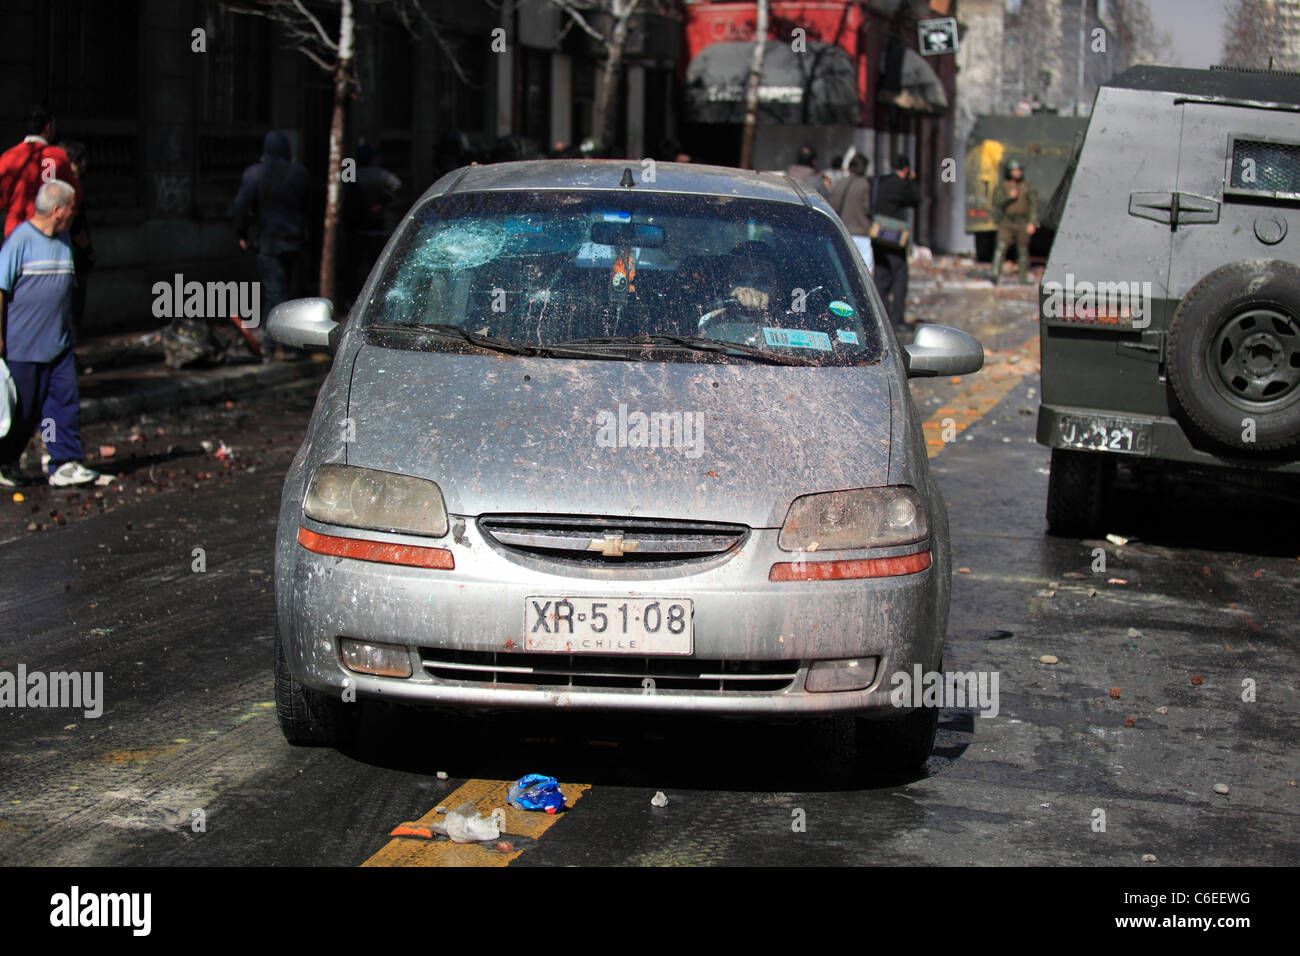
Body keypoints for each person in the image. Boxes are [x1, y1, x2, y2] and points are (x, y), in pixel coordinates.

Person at [0, 180, 106, 488]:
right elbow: (1, 289)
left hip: (59, 343)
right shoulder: (20, 240)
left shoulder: (63, 241)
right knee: (25, 411)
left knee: (62, 403)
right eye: (73, 207)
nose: (76, 213)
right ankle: (6, 459)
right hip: (24, 347)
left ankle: (64, 462)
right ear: (58, 210)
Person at [232, 130, 312, 356]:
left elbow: (241, 207)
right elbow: (308, 206)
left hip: (268, 242)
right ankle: (278, 341)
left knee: (276, 292)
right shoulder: (300, 174)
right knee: (282, 290)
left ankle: (277, 342)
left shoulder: (255, 174)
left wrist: (242, 233)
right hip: (294, 241)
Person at [0, 105, 81, 240]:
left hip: (14, 232)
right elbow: (74, 195)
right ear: (48, 128)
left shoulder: (7, 158)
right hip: (48, 233)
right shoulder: (58, 156)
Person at [343, 142, 401, 304]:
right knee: (375, 265)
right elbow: (396, 185)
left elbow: (344, 192)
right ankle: (375, 299)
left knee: (355, 265)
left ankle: (352, 297)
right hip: (376, 226)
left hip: (358, 228)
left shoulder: (352, 173)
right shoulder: (379, 174)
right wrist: (382, 203)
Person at [871, 154, 920, 332]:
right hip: (895, 237)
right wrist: (912, 181)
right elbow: (917, 199)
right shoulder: (903, 186)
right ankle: (897, 320)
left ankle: (880, 319)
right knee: (900, 275)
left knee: (881, 276)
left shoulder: (879, 181)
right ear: (906, 169)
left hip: (878, 234)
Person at [60, 140, 95, 347]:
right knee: (73, 307)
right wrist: (89, 250)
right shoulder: (72, 188)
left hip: (70, 254)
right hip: (74, 256)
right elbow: (76, 226)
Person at [990, 159, 1037, 285]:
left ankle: (1022, 277)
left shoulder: (1026, 186)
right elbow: (996, 201)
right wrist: (1008, 197)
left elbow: (1033, 205)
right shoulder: (1003, 185)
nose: (1017, 173)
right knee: (1001, 247)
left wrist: (1032, 222)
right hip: (1007, 221)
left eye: (1019, 170)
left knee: (1022, 250)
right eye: (1015, 171)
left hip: (1022, 221)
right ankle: (995, 274)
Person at [828, 154, 874, 275]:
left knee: (843, 270)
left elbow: (832, 206)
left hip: (842, 232)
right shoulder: (865, 185)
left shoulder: (839, 184)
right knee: (864, 272)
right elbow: (868, 208)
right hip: (861, 232)